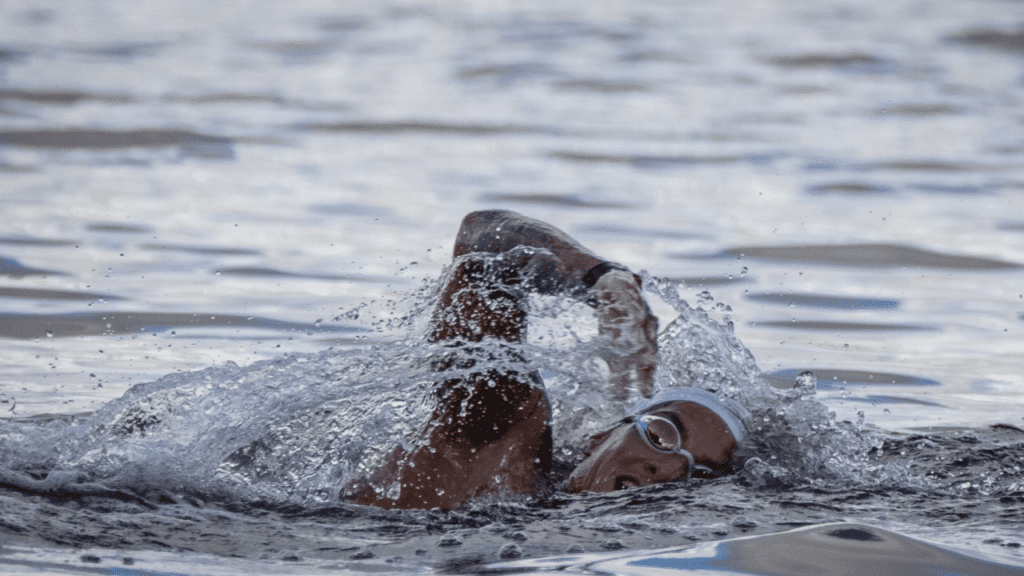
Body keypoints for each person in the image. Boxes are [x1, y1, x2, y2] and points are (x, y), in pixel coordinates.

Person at [346, 210, 747, 509]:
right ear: (600, 435)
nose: (673, 469)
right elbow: (481, 246)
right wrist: (604, 278)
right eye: (662, 434)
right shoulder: (505, 433)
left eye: (701, 471)